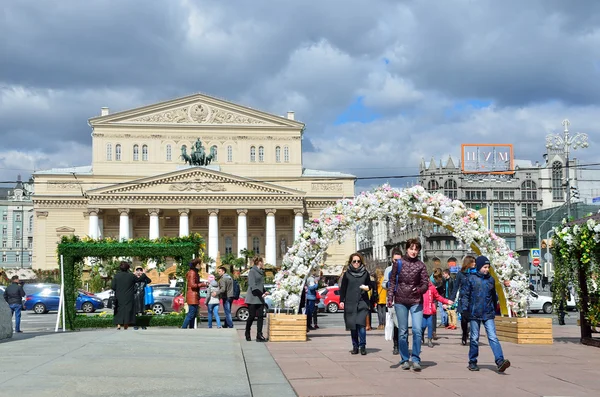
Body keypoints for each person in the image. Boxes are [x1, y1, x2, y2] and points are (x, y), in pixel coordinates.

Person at [460, 256, 511, 373]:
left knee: (492, 336)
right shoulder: (471, 279)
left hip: (488, 313)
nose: (487, 269)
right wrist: (465, 310)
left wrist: (494, 308)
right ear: (479, 267)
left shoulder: (491, 280)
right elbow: (465, 295)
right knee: (474, 338)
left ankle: (500, 361)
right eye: (484, 267)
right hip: (474, 313)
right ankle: (472, 361)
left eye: (488, 267)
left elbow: (493, 296)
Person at [387, 239, 429, 371]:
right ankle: (405, 359)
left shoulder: (421, 265)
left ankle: (416, 359)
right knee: (403, 332)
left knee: (417, 330)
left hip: (416, 301)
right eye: (411, 249)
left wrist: (420, 290)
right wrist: (389, 298)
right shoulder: (398, 263)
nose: (414, 251)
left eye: (416, 249)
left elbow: (425, 283)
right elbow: (392, 281)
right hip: (400, 300)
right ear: (407, 249)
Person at [340, 252, 371, 355]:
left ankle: (363, 346)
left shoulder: (365, 273)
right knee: (353, 325)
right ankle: (355, 346)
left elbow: (370, 285)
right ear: (351, 262)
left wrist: (368, 288)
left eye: (358, 261)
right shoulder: (347, 274)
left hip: (362, 301)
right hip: (350, 302)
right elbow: (343, 288)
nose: (356, 263)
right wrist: (341, 300)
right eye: (354, 261)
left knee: (361, 324)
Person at [451, 255, 476, 345]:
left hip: (474, 299)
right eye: (472, 262)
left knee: (473, 319)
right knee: (464, 319)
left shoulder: (476, 273)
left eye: (474, 262)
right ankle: (464, 334)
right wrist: (451, 299)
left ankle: (472, 335)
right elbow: (456, 287)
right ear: (468, 263)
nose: (474, 264)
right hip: (464, 299)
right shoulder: (460, 274)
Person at [383, 248, 403, 355]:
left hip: (404, 299)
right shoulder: (388, 270)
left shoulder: (405, 269)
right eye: (395, 260)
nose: (397, 262)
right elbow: (384, 283)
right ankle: (396, 345)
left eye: (399, 260)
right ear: (392, 259)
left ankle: (403, 344)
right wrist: (388, 285)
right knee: (396, 324)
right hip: (393, 300)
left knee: (403, 324)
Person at [422, 281, 453, 348]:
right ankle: (421, 335)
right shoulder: (420, 287)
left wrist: (446, 301)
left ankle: (429, 340)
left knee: (430, 325)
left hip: (430, 310)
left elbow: (438, 296)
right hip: (422, 310)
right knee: (423, 326)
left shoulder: (432, 287)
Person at [245, 256, 268, 342]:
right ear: (259, 262)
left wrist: (265, 291)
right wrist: (261, 293)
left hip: (260, 298)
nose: (263, 264)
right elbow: (252, 285)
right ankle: (247, 332)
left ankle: (259, 334)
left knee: (261, 316)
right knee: (252, 316)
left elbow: (260, 285)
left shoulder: (261, 272)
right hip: (253, 297)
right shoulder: (252, 271)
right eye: (262, 262)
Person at [111, 261, 136, 330]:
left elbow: (113, 287)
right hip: (129, 296)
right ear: (128, 268)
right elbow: (136, 283)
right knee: (127, 310)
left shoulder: (116, 276)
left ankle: (118, 324)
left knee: (119, 310)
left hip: (119, 296)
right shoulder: (131, 276)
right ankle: (126, 325)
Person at [182, 259, 203, 329]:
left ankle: (191, 328)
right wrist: (202, 284)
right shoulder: (192, 272)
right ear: (197, 264)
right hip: (192, 295)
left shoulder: (194, 272)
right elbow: (192, 285)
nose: (201, 266)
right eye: (200, 264)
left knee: (193, 314)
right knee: (191, 313)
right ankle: (184, 327)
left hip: (194, 295)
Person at [430, 267, 443, 339]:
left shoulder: (440, 280)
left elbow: (441, 291)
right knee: (427, 315)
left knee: (434, 314)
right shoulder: (430, 280)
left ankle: (433, 332)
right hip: (428, 298)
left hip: (435, 298)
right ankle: (422, 332)